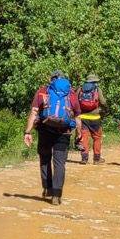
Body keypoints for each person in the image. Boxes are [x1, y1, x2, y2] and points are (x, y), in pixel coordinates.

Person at [23, 71, 80, 205]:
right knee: (59, 163)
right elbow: (77, 116)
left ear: (52, 80)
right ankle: (56, 194)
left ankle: (47, 188)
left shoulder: (43, 91)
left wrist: (27, 132)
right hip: (64, 132)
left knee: (45, 159)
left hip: (45, 131)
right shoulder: (71, 93)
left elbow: (34, 112)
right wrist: (79, 134)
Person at [76, 74, 106, 164]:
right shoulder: (97, 89)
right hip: (95, 117)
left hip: (83, 117)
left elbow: (75, 101)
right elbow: (103, 101)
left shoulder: (80, 88)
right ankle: (97, 159)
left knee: (84, 137)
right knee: (97, 137)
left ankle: (84, 158)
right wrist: (104, 109)